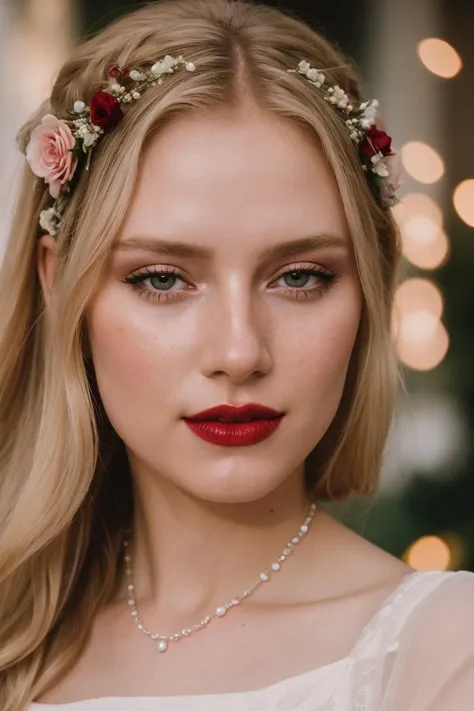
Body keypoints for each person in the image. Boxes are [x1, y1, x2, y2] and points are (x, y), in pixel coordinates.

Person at [0, 0, 472, 708]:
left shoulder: (445, 652)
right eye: (162, 279)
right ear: (57, 280)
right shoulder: (18, 637)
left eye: (300, 277)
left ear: (370, 287)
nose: (239, 351)